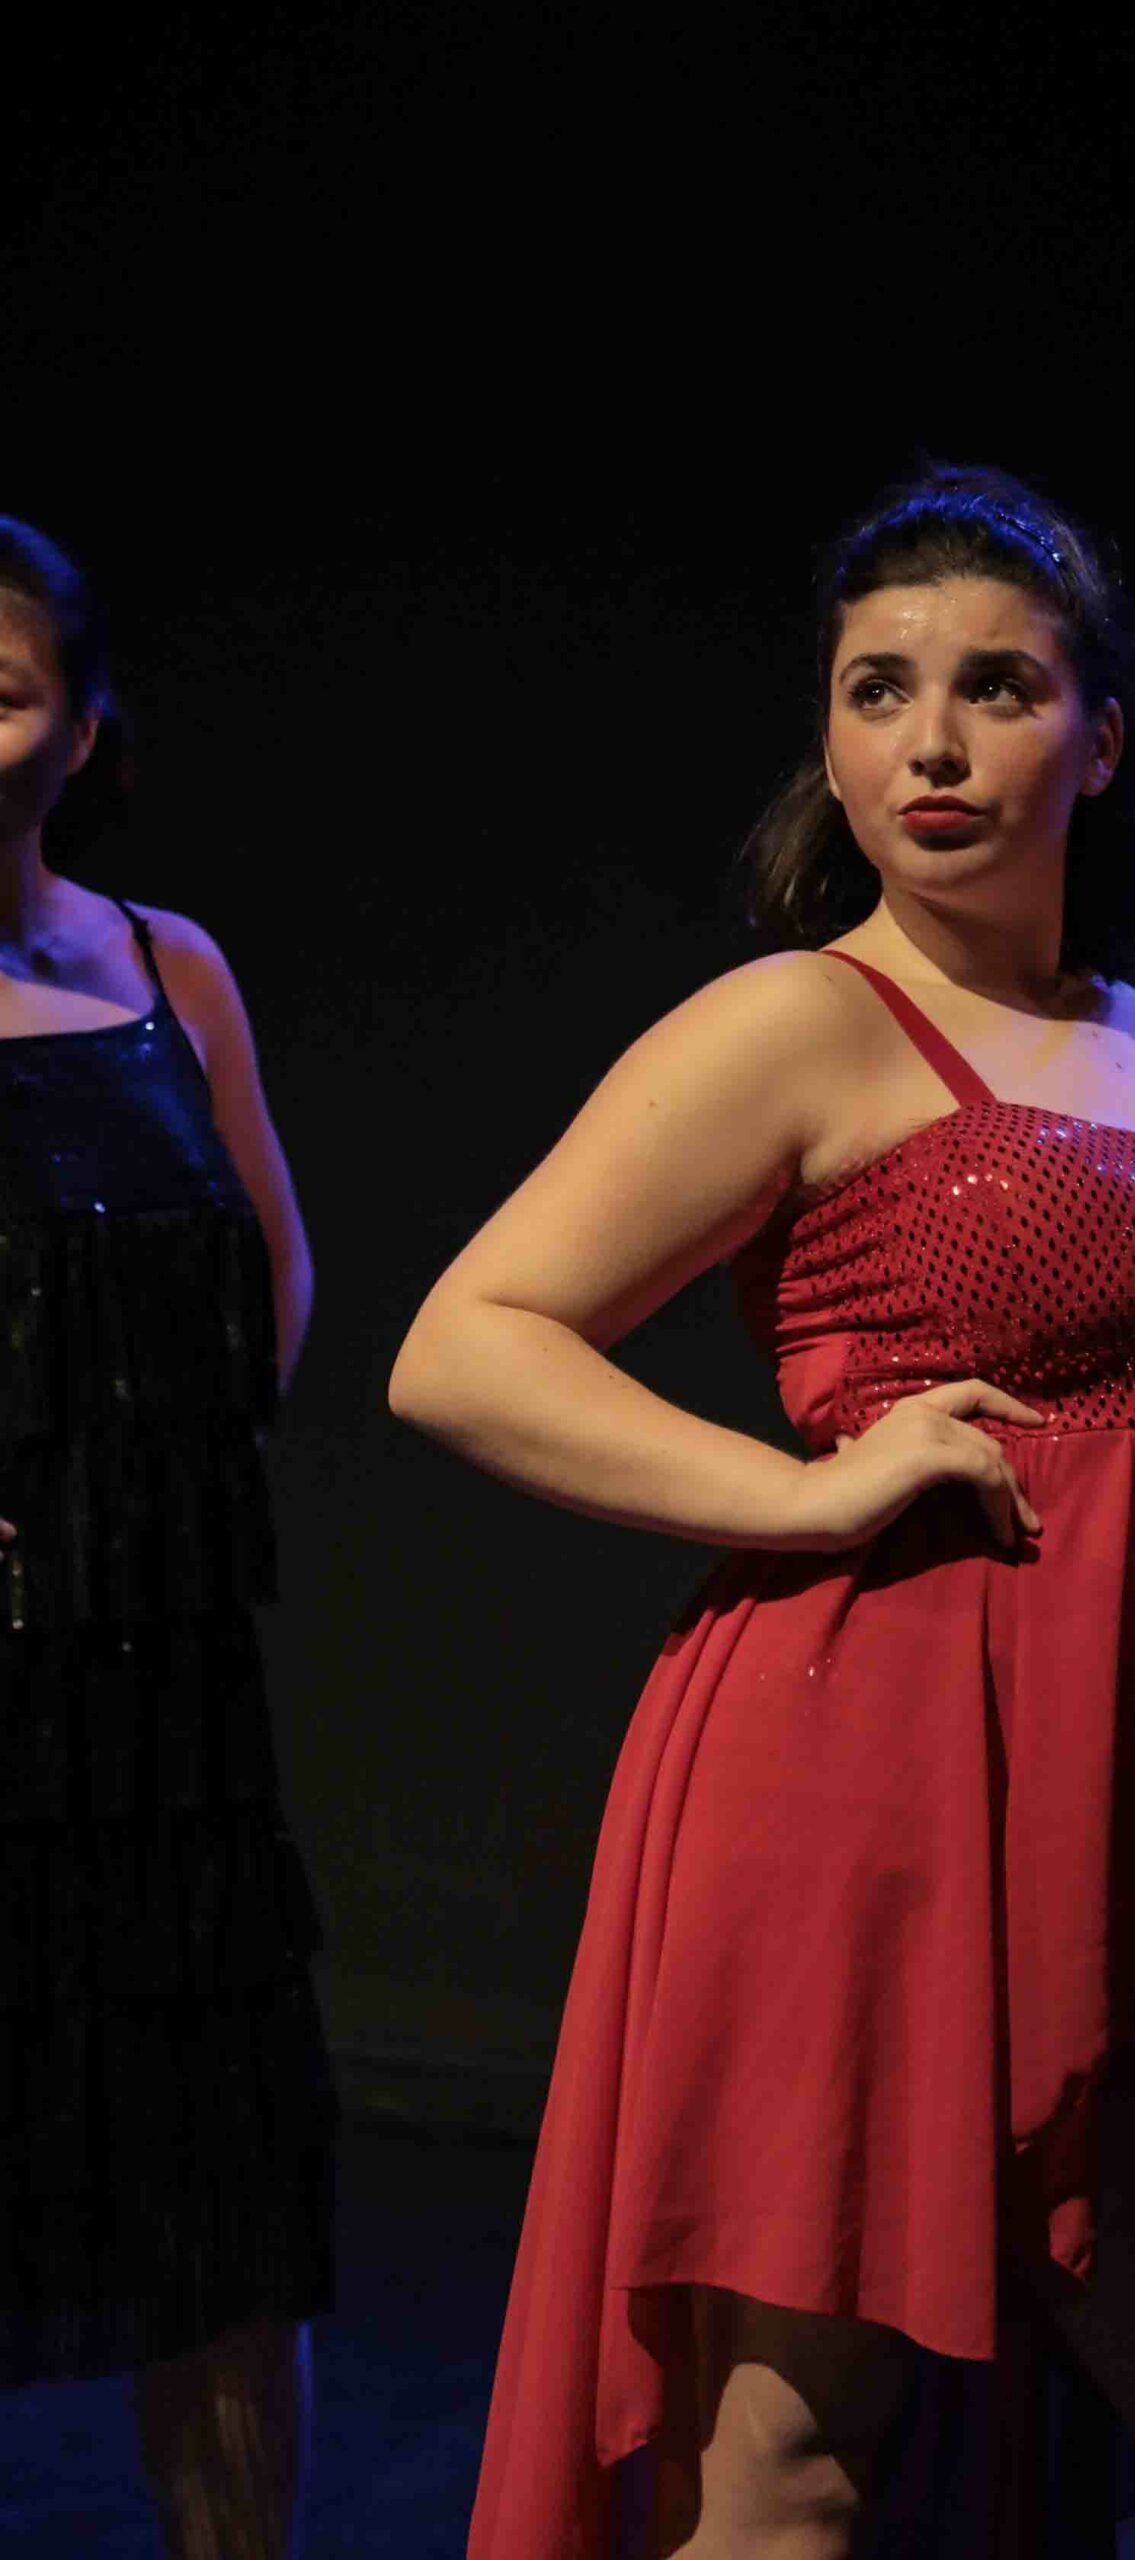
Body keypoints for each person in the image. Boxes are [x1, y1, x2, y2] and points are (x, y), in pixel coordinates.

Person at [390, 462, 1135, 2559]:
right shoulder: (801, 1019)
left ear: (1101, 740)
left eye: (995, 688)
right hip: (867, 1797)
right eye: (877, 691)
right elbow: (464, 1343)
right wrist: (805, 1487)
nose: (931, 743)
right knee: (794, 2470)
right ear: (832, 742)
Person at [0, 518, 334, 2560]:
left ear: (85, 727)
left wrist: (146, 1506)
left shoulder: (163, 964)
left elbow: (272, 1274)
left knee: (215, 2205)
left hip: (160, 1707)